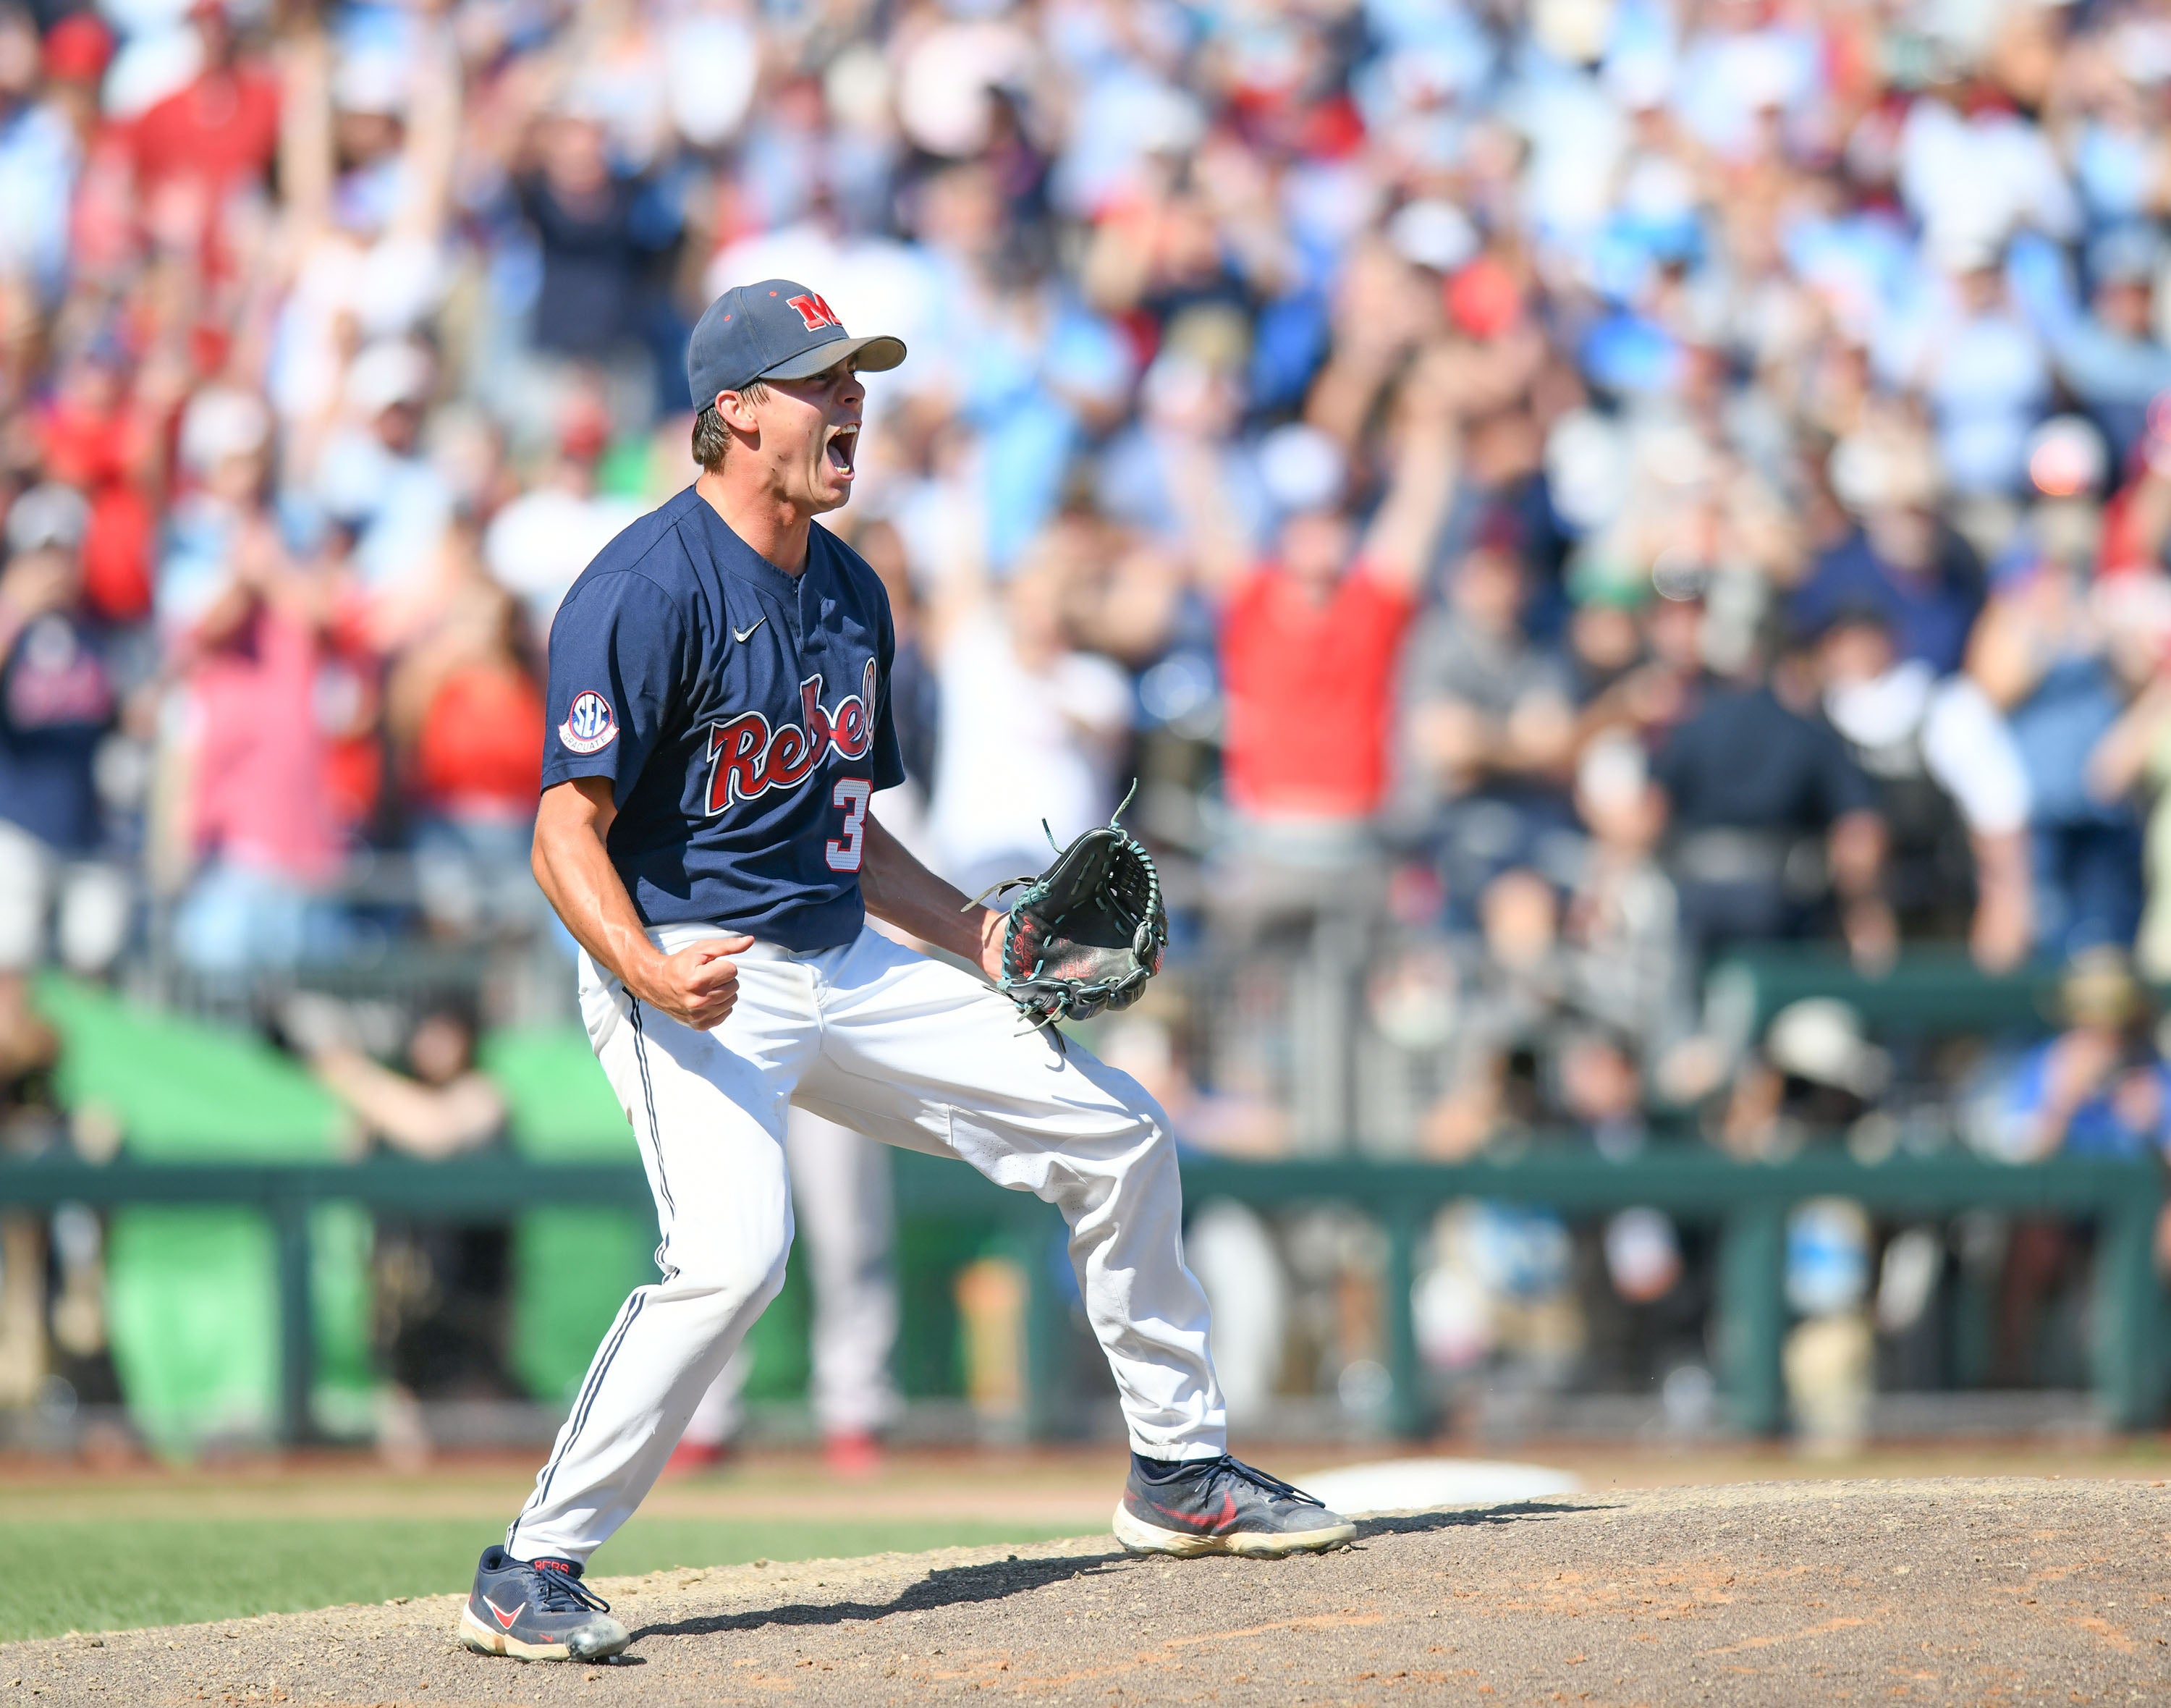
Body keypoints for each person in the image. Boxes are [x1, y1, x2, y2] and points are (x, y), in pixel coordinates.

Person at [458, 279, 1352, 1666]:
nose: (852, 404)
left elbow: (850, 829)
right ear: (734, 412)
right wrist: (640, 964)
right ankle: (529, 1565)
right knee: (736, 1257)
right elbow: (561, 826)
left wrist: (980, 936)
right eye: (822, 383)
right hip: (691, 969)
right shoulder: (644, 588)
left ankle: (1178, 1473)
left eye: (856, 379)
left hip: (846, 956)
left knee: (1120, 1138)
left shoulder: (853, 594)